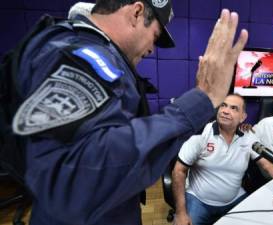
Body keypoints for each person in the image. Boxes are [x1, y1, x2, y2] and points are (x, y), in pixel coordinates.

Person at [11, 0, 248, 224]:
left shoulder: (96, 53)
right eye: (155, 37)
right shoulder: (80, 57)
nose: (152, 50)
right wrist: (201, 99)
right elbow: (71, 182)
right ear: (136, 13)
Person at [172, 94, 273, 225]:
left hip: (234, 199)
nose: (225, 110)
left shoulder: (248, 138)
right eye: (223, 105)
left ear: (242, 117)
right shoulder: (200, 136)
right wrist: (180, 212)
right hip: (199, 200)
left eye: (234, 108)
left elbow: (270, 167)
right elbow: (179, 171)